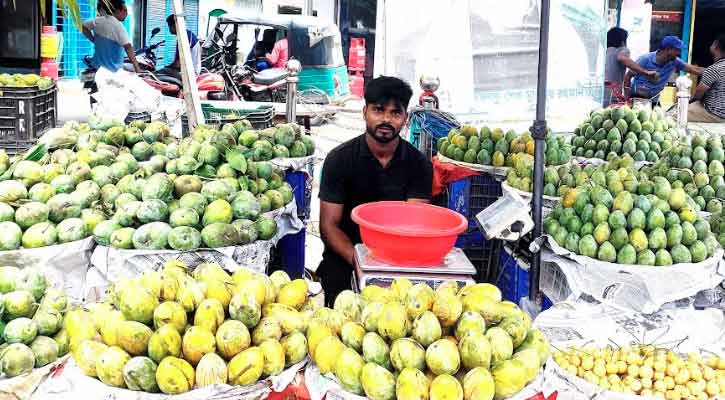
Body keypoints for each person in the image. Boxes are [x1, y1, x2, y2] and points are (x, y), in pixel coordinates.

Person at [317, 76, 433, 305]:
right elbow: (328, 226)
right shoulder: (338, 160)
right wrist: (362, 264)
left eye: (395, 113)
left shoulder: (419, 165)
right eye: (379, 110)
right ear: (364, 112)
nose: (386, 120)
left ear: (405, 119)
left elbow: (412, 226)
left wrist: (386, 272)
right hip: (346, 258)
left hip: (399, 265)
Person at [624, 36, 704, 102]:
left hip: (654, 101)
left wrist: (714, 70)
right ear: (668, 49)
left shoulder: (674, 61)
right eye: (677, 50)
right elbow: (628, 77)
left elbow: (694, 69)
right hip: (637, 99)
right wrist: (626, 98)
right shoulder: (645, 59)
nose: (679, 53)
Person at [82, 0, 141, 73]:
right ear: (117, 11)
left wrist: (93, 40)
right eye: (124, 10)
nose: (126, 14)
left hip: (97, 67)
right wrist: (137, 67)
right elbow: (128, 47)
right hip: (113, 70)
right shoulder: (118, 26)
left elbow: (83, 26)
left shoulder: (97, 21)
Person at [603, 27, 657, 106]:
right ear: (622, 41)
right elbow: (621, 57)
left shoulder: (606, 51)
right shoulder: (623, 49)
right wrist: (646, 72)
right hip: (612, 96)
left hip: (601, 94)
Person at [688, 32, 725, 123]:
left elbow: (698, 95)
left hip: (714, 114)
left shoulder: (714, 69)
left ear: (715, 44)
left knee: (676, 114)